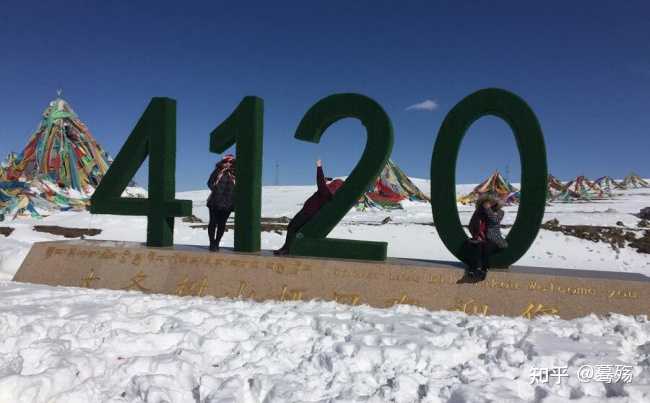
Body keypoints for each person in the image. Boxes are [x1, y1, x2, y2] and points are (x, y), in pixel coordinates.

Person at [274, 159, 343, 255]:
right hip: (308, 213)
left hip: (308, 213)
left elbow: (320, 183)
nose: (330, 184)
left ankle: (287, 249)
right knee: (294, 229)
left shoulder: (326, 193)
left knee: (292, 228)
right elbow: (322, 184)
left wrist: (319, 167)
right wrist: (324, 180)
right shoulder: (329, 194)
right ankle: (288, 248)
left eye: (333, 183)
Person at [465, 194, 508, 280]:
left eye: (491, 202)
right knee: (477, 246)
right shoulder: (478, 212)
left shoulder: (500, 212)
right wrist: (476, 235)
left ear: (495, 203)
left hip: (493, 239)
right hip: (480, 238)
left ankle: (483, 270)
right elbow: (471, 225)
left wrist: (488, 209)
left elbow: (495, 220)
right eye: (486, 202)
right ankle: (473, 270)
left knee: (486, 247)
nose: (488, 204)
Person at [206, 154, 236, 251]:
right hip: (215, 201)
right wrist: (215, 190)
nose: (228, 163)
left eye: (230, 162)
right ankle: (211, 242)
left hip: (228, 203)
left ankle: (217, 242)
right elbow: (209, 182)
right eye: (226, 161)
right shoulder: (217, 171)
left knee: (222, 224)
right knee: (212, 223)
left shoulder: (236, 172)